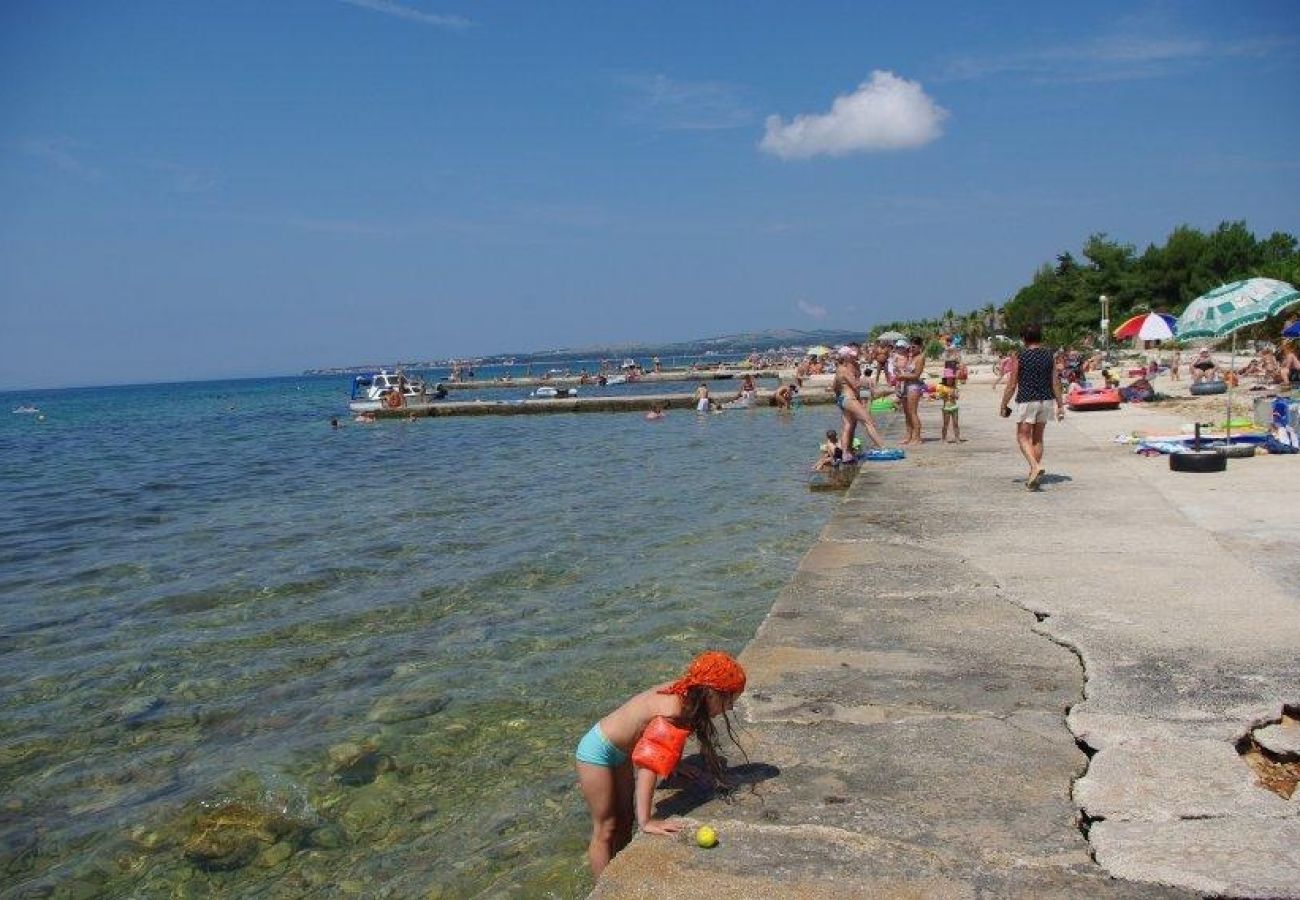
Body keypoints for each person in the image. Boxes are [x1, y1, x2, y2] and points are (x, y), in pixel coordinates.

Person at [575, 651, 747, 876]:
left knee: (626, 818)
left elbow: (665, 740)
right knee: (606, 827)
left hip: (621, 751)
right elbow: (648, 768)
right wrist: (647, 822)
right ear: (712, 694)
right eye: (729, 701)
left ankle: (620, 872)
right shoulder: (672, 710)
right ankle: (603, 887)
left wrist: (674, 762)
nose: (730, 708)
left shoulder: (688, 692)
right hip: (597, 752)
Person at [1000, 323, 1064, 491]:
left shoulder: (1021, 357)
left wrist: (1003, 404)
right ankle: (1032, 475)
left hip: (1027, 400)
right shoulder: (1049, 355)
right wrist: (1061, 405)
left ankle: (1035, 467)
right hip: (1046, 401)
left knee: (1022, 437)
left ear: (1023, 339)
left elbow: (1012, 384)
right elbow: (1055, 382)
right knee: (1037, 438)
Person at [831, 344, 885, 455]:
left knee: (848, 425)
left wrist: (839, 398)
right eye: (851, 355)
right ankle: (883, 447)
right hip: (849, 398)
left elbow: (834, 387)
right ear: (846, 357)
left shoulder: (839, 369)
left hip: (844, 399)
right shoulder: (845, 370)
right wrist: (865, 381)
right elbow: (855, 385)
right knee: (869, 421)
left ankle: (846, 453)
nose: (854, 357)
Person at [895, 337, 927, 446]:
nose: (912, 349)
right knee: (907, 414)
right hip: (905, 385)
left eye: (914, 347)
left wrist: (903, 375)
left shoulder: (920, 358)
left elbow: (916, 375)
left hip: (914, 386)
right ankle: (909, 436)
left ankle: (917, 437)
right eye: (911, 347)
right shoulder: (911, 357)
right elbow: (906, 370)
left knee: (913, 412)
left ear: (920, 347)